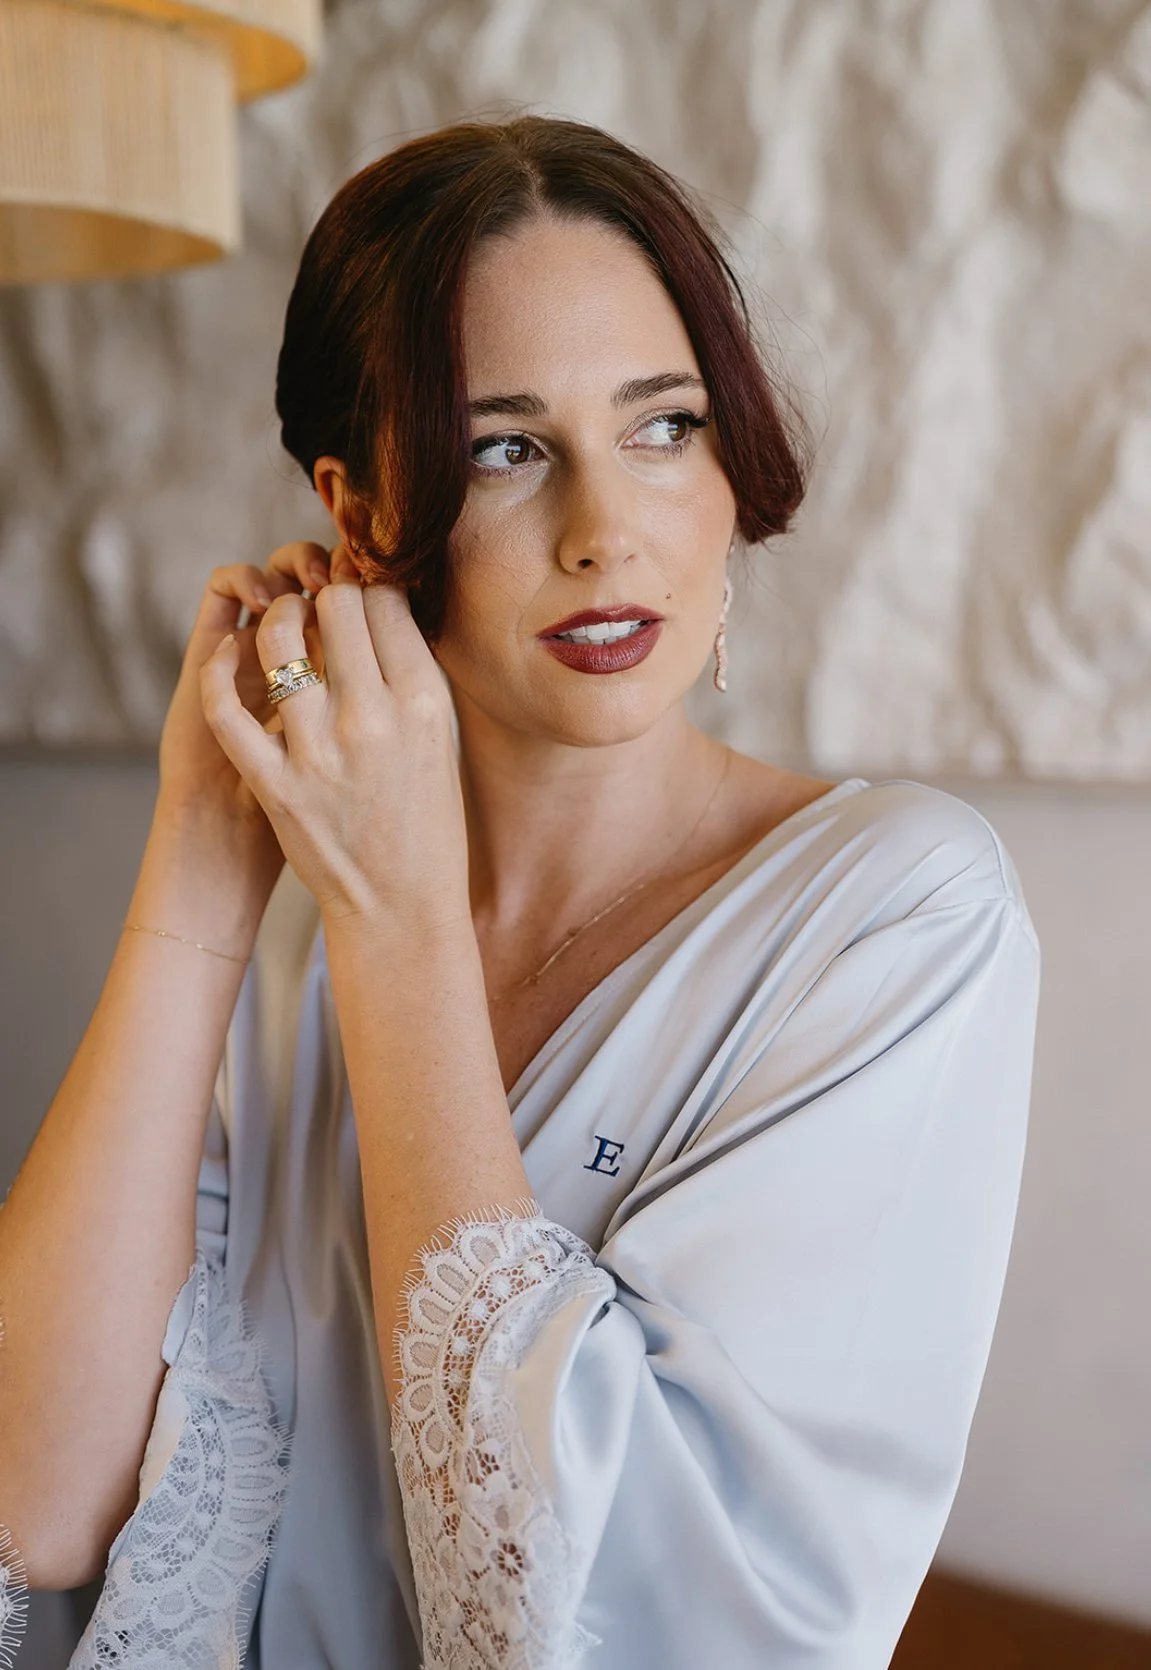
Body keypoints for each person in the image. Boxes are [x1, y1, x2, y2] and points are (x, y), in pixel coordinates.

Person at [0, 115, 1041, 1669]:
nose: (604, 529)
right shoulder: (295, 930)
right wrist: (201, 870)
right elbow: (36, 1504)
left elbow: (593, 1620)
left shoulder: (897, 914)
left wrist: (397, 919)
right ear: (358, 513)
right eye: (506, 445)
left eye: (662, 425)